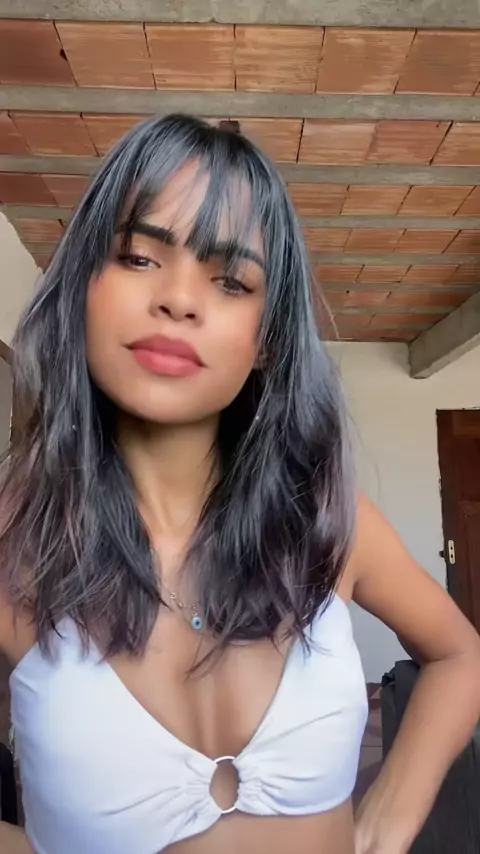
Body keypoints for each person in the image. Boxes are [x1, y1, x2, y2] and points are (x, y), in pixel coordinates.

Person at [0, 114, 479, 854]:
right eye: (138, 256)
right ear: (81, 289)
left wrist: (383, 826)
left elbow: (460, 655)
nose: (180, 299)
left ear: (267, 339)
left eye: (230, 280)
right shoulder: (15, 545)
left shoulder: (326, 521)